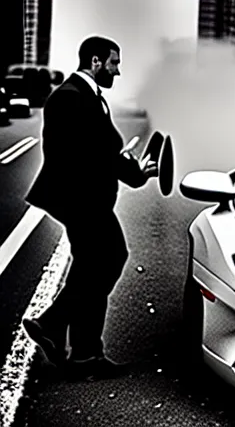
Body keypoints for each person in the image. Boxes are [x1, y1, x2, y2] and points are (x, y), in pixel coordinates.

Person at [23, 35, 157, 380]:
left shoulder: (90, 98)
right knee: (109, 259)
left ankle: (85, 354)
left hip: (87, 200)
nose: (117, 70)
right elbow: (90, 154)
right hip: (81, 202)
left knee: (93, 268)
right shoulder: (69, 98)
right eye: (113, 62)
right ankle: (52, 324)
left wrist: (132, 168)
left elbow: (102, 150)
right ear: (95, 62)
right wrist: (129, 168)